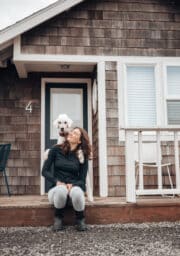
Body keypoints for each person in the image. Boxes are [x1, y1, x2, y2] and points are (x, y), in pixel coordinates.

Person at [42, 127, 92, 232]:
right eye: (71, 131)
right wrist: (57, 182)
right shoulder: (56, 149)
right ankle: (58, 218)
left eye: (75, 133)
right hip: (56, 190)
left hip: (73, 189)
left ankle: (80, 219)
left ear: (79, 140)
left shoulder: (82, 155)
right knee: (61, 190)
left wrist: (72, 185)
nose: (71, 133)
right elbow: (44, 171)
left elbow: (82, 179)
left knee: (78, 193)